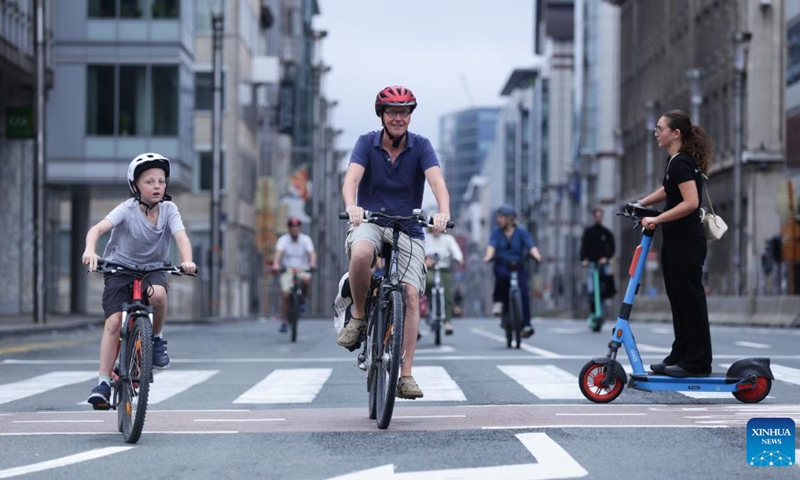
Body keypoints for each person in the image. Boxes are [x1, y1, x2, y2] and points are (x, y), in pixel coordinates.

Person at [333, 85, 451, 399]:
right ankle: (358, 317)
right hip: (371, 220)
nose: (398, 118)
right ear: (382, 116)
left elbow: (437, 181)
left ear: (410, 116)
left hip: (409, 226)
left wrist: (443, 212)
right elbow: (352, 180)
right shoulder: (366, 143)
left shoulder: (422, 146)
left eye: (404, 112)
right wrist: (352, 206)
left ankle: (406, 375)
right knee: (360, 253)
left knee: (411, 294)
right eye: (392, 112)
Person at [82, 153, 196, 409]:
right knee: (112, 323)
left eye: (161, 181)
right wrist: (91, 250)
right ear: (135, 186)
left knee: (158, 295)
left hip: (153, 269)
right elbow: (97, 229)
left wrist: (187, 260)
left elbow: (182, 238)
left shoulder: (169, 210)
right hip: (119, 269)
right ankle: (102, 382)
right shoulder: (127, 209)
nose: (157, 186)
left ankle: (155, 338)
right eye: (149, 181)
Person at [637, 109, 713, 378]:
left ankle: (698, 361)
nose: (657, 133)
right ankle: (681, 353)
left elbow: (690, 203)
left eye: (660, 129)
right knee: (679, 300)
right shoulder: (676, 161)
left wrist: (657, 220)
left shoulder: (681, 163)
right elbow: (668, 190)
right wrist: (642, 204)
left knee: (689, 300)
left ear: (675, 133)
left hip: (686, 243)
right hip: (677, 241)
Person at [482, 205, 541, 338]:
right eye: (498, 217)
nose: (498, 220)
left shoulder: (521, 232)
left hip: (518, 265)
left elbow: (531, 245)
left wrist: (536, 255)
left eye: (501, 217)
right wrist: (488, 256)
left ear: (510, 219)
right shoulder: (496, 233)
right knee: (502, 277)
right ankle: (499, 302)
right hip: (502, 264)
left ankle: (526, 324)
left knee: (524, 293)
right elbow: (492, 246)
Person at [271, 217, 316, 333]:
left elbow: (311, 253)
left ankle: (302, 299)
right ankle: (284, 322)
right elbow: (278, 254)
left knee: (306, 281)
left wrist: (312, 263)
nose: (295, 230)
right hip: (288, 270)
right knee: (285, 294)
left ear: (299, 229)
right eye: (292, 228)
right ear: (289, 229)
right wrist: (276, 264)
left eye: (297, 228)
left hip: (302, 269)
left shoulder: (306, 239)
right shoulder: (283, 240)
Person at [424, 228, 464, 335]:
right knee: (428, 282)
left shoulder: (448, 239)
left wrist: (458, 258)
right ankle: (429, 305)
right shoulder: (426, 238)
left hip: (444, 270)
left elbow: (456, 252)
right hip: (430, 270)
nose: (436, 229)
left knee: (447, 295)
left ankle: (447, 322)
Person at [580, 208, 616, 311]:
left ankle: (602, 310)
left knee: (605, 289)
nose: (598, 218)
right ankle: (593, 310)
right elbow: (584, 247)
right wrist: (584, 260)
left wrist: (606, 258)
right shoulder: (588, 232)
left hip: (603, 264)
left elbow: (612, 248)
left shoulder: (606, 232)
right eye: (597, 216)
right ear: (594, 217)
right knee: (591, 289)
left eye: (600, 216)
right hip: (591, 264)